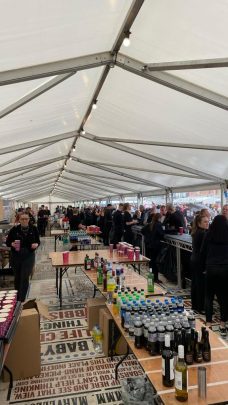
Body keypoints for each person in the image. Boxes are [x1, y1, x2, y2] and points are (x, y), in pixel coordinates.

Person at [200, 215, 228, 337]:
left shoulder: (208, 235)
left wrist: (204, 267)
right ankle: (222, 324)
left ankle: (209, 323)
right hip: (225, 269)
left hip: (211, 268)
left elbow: (202, 252)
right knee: (223, 298)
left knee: (208, 297)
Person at [6, 213, 40, 302]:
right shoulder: (14, 229)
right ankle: (17, 298)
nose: (24, 220)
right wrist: (12, 244)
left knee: (25, 277)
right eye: (22, 219)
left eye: (26, 219)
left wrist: (36, 245)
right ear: (19, 220)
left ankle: (22, 299)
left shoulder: (34, 229)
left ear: (29, 219)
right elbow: (8, 242)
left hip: (29, 255)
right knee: (17, 277)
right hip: (16, 255)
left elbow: (38, 241)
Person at [190, 214, 209, 313]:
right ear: (199, 223)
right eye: (205, 222)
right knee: (201, 285)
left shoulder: (196, 232)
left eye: (208, 221)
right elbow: (205, 250)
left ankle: (195, 305)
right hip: (200, 261)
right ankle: (201, 307)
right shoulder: (203, 233)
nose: (207, 223)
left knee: (195, 284)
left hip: (194, 259)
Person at [141, 213, 164, 282]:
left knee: (151, 262)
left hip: (148, 245)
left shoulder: (149, 224)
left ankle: (151, 277)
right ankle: (156, 278)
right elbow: (161, 235)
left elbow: (142, 230)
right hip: (155, 246)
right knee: (155, 262)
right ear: (159, 218)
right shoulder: (159, 225)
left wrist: (148, 237)